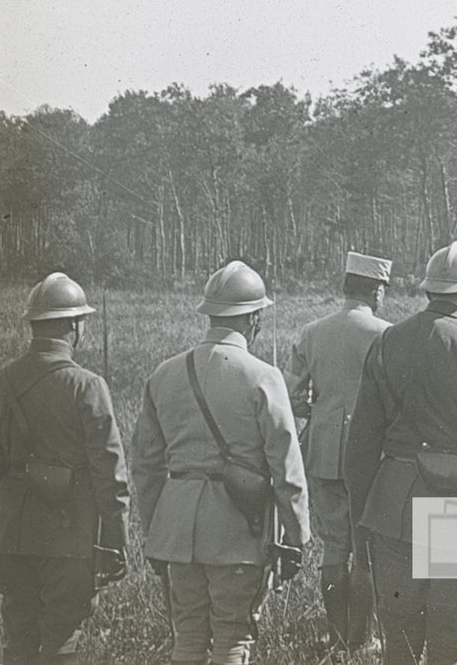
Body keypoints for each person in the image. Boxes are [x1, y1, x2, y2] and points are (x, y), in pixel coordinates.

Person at [132, 261, 310, 665]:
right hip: (237, 531)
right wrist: (296, 535)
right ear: (254, 318)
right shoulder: (262, 377)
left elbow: (146, 465)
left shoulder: (164, 374)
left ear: (210, 314)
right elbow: (285, 464)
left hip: (176, 528)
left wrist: (156, 531)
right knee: (233, 636)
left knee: (189, 635)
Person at [344, 241, 457, 665]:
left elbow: (361, 447)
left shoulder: (386, 343)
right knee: (447, 639)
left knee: (398, 640)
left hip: (391, 509)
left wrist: (360, 524)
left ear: (428, 291)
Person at [0, 273, 131, 665]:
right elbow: (110, 474)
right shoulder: (87, 386)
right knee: (61, 637)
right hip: (68, 536)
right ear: (74, 327)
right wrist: (115, 541)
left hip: (9, 535)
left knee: (18, 638)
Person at [286, 251, 392, 654]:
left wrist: (317, 411)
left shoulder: (313, 332)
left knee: (334, 546)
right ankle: (361, 639)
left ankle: (336, 634)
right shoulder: (386, 333)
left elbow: (291, 394)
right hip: (372, 455)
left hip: (324, 450)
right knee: (365, 551)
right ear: (376, 290)